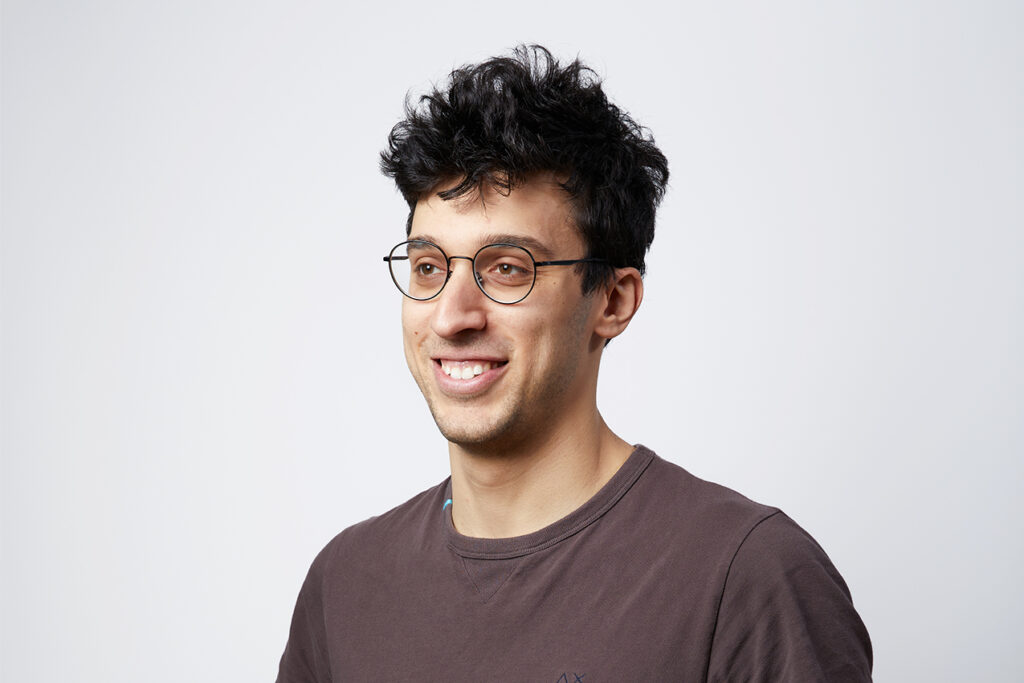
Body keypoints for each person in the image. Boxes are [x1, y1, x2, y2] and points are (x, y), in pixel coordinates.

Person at [277, 45, 872, 681]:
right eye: (428, 267)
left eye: (507, 269)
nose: (452, 316)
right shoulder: (345, 585)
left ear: (612, 302)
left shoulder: (746, 577)